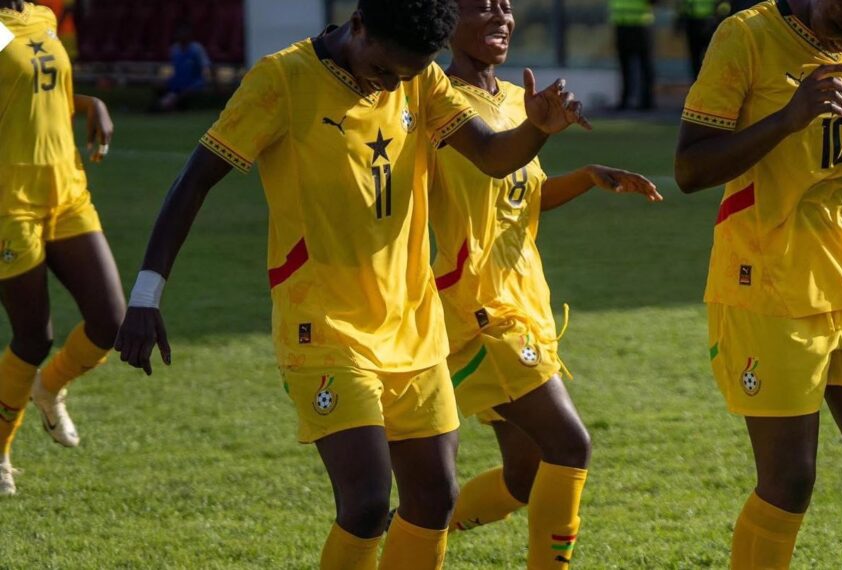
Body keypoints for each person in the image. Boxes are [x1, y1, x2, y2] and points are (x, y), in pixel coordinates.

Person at [113, 1, 589, 568]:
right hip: (324, 328)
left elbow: (490, 156)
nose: (389, 85)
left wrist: (536, 128)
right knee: (365, 505)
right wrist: (146, 294)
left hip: (415, 328)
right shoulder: (281, 80)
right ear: (359, 23)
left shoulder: (422, 78)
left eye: (404, 76)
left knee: (435, 499)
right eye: (384, 70)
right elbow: (195, 180)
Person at [674, 0, 842, 567]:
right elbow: (690, 169)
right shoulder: (745, 37)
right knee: (790, 481)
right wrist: (786, 119)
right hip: (767, 280)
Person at [429, 1, 662, 568]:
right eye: (483, 8)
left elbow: (518, 197)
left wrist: (584, 178)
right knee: (571, 444)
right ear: (445, 21)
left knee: (526, 475)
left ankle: (414, 530)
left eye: (507, 7)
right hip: (478, 308)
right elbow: (488, 160)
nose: (501, 17)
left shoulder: (515, 98)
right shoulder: (432, 97)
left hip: (525, 299)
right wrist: (537, 128)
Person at [0, 0, 124, 496]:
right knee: (33, 335)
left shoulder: (43, 15)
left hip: (68, 193)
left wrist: (90, 103)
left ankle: (48, 388)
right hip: (11, 203)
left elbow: (42, 90)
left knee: (111, 321)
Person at [154, 22, 212, 112]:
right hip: (179, 80)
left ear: (189, 35)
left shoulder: (197, 49)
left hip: (194, 82)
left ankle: (173, 105)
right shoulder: (174, 49)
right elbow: (173, 69)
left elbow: (205, 67)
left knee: (186, 92)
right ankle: (162, 105)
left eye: (184, 33)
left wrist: (207, 79)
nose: (181, 35)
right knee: (160, 85)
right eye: (179, 33)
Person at [610, 0, 657, 110]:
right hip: (622, 23)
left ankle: (647, 101)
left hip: (641, 24)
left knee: (645, 65)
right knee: (624, 65)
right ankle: (626, 100)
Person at [676, 0, 722, 79]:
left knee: (711, 56)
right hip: (692, 21)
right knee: (696, 57)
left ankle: (711, 82)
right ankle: (698, 83)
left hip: (709, 21)